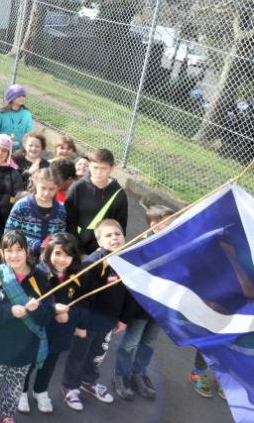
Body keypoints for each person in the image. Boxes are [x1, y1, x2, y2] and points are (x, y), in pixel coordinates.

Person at [0, 231, 53, 423]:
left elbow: (46, 317)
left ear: (27, 251)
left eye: (19, 250)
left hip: (25, 347)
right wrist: (9, 311)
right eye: (9, 250)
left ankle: (8, 416)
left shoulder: (42, 278)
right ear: (2, 252)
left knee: (15, 386)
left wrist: (36, 310)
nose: (14, 255)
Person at [60, 219, 127, 411]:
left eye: (117, 234)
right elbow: (81, 299)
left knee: (96, 354)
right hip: (87, 323)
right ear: (99, 242)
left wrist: (123, 318)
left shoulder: (124, 260)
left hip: (108, 321)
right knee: (79, 354)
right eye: (108, 235)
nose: (114, 238)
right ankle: (69, 386)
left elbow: (127, 293)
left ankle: (88, 381)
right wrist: (80, 325)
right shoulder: (92, 264)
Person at [19, 232, 83, 415]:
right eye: (58, 253)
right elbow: (33, 301)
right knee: (30, 361)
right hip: (38, 329)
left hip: (61, 331)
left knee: (50, 362)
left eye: (68, 255)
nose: (62, 259)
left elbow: (81, 303)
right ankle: (22, 391)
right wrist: (54, 309)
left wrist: (70, 315)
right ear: (48, 253)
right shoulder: (38, 273)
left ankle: (40, 390)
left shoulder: (76, 277)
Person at [113, 206, 173, 402]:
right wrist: (125, 314)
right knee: (130, 342)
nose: (173, 225)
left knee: (148, 342)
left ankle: (139, 373)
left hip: (161, 308)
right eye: (168, 222)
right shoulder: (141, 247)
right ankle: (120, 375)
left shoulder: (175, 245)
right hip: (141, 308)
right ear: (154, 225)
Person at [65, 148, 129, 254]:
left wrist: (105, 250)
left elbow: (120, 227)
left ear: (112, 168)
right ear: (89, 165)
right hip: (75, 248)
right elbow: (69, 222)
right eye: (95, 168)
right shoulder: (77, 188)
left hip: (103, 250)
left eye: (103, 168)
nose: (98, 172)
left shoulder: (119, 194)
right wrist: (77, 251)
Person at [5, 168, 67, 257]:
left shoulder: (61, 209)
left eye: (51, 189)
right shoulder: (22, 205)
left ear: (57, 188)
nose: (46, 193)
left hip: (48, 260)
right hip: (22, 258)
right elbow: (9, 232)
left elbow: (60, 234)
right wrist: (34, 245)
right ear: (36, 184)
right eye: (43, 188)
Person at [0, 85, 34, 151]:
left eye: (23, 96)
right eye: (19, 96)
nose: (22, 98)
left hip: (19, 151)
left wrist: (23, 149)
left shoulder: (27, 114)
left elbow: (30, 133)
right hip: (1, 149)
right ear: (11, 97)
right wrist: (1, 144)